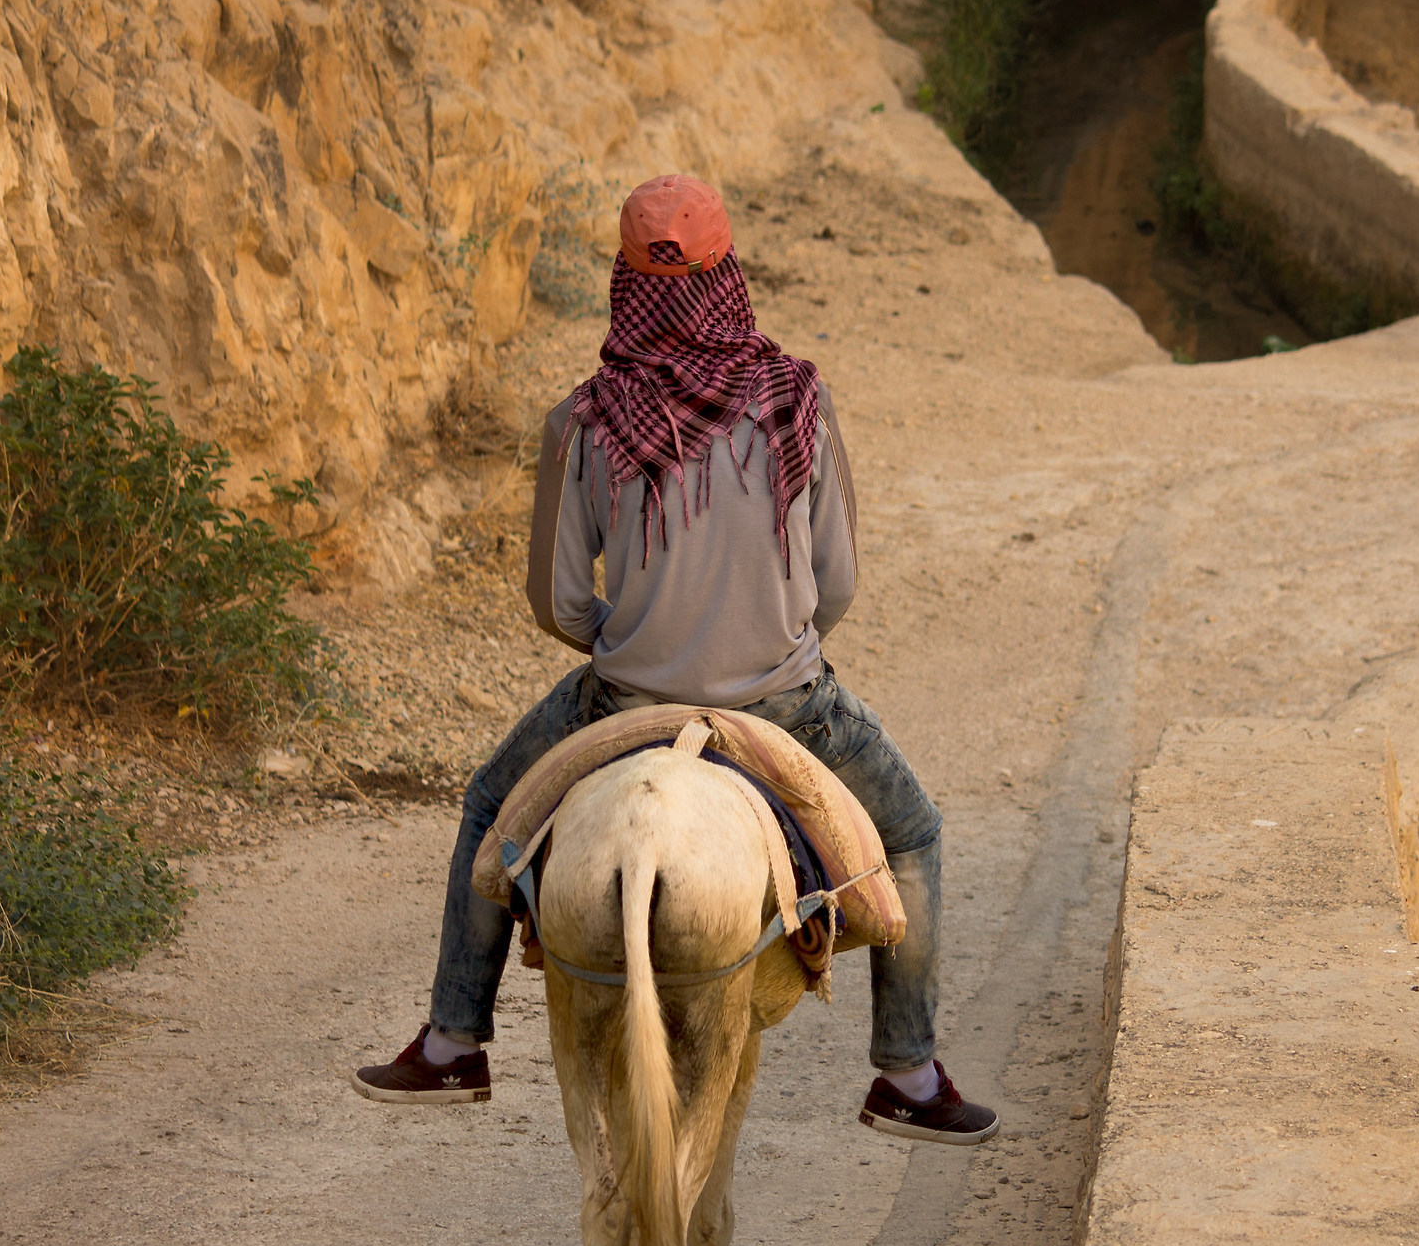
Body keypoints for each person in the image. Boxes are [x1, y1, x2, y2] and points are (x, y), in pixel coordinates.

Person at [352, 173, 997, 1146]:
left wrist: (639, 636)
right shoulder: (798, 402)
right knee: (910, 835)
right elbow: (837, 586)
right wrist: (763, 628)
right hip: (786, 701)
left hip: (622, 699)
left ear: (627, 285)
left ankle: (453, 1043)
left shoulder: (584, 421)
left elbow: (561, 604)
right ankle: (906, 1070)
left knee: (490, 807)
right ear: (728, 275)